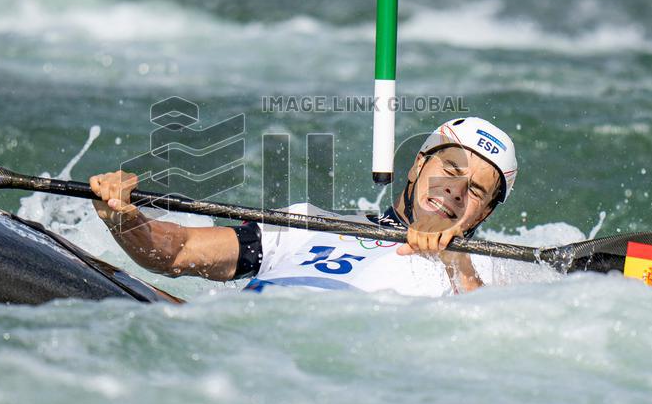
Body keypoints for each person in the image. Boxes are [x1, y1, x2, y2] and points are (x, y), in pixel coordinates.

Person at [89, 117, 518, 296]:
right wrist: (123, 218)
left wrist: (455, 261)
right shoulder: (308, 221)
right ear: (416, 166)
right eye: (449, 166)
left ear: (483, 215)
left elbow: (487, 347)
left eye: (476, 191)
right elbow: (176, 253)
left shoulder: (480, 275)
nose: (455, 189)